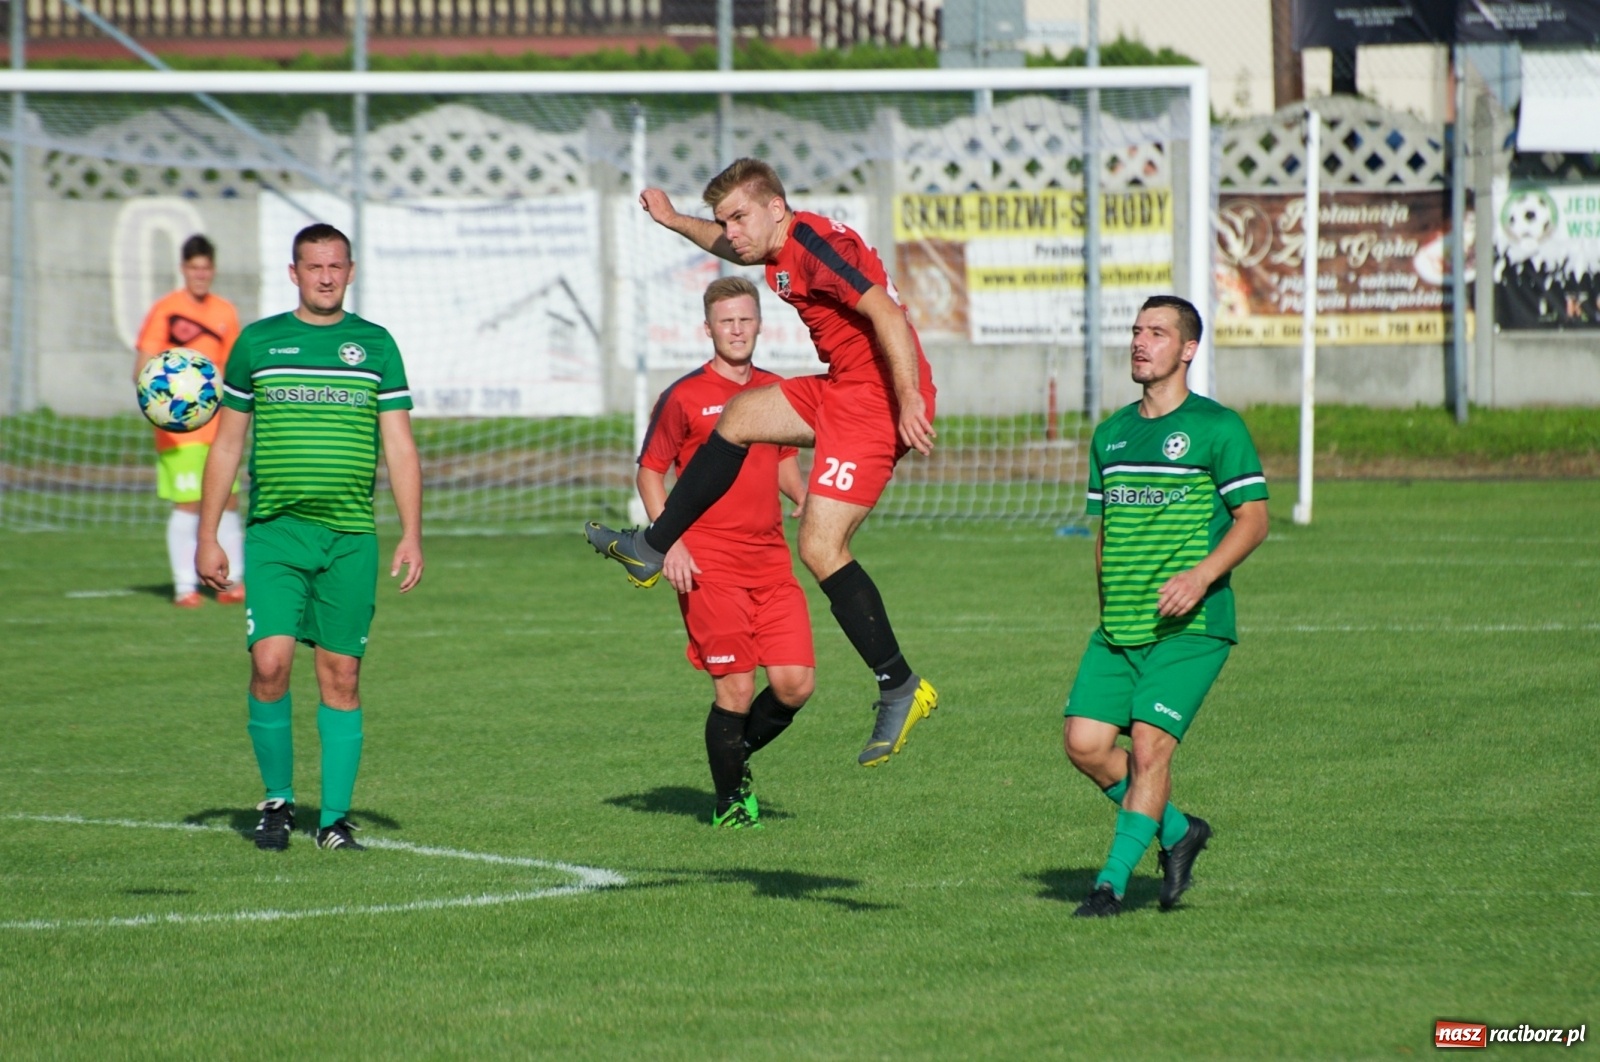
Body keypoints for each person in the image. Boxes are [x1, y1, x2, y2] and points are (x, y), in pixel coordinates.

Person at [586, 158, 939, 768]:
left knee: (820, 548)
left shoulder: (816, 246)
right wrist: (673, 220)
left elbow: (885, 313)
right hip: (844, 386)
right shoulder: (777, 245)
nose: (732, 232)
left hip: (876, 401)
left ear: (776, 208)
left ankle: (899, 686)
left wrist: (908, 398)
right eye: (725, 220)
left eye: (739, 217)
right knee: (740, 416)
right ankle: (652, 547)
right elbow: (732, 248)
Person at [195, 223, 424, 853]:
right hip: (275, 533)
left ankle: (334, 822)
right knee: (269, 664)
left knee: (341, 676)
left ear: (350, 272)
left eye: (336, 266)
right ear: (293, 273)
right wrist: (208, 534)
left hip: (350, 537)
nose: (326, 277)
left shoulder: (375, 345)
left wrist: (411, 533)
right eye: (314, 266)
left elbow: (400, 446)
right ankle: (276, 802)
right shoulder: (258, 343)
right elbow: (227, 445)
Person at [1062, 295, 1269, 918]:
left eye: (1157, 332)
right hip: (1119, 626)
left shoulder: (1217, 428)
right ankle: (1179, 831)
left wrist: (1201, 577)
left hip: (1192, 626)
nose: (1140, 342)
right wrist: (1108, 600)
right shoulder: (1111, 435)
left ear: (1187, 349)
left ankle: (1109, 886)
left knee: (1151, 749)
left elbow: (1253, 520)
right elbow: (1104, 532)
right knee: (1085, 746)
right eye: (1136, 330)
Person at [638, 276, 816, 829]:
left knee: (795, 684)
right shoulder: (684, 396)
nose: (736, 330)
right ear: (708, 328)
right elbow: (650, 473)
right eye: (726, 322)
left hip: (771, 560)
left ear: (759, 324)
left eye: (745, 320)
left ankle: (730, 757)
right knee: (736, 688)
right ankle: (731, 803)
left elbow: (782, 459)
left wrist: (805, 497)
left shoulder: (776, 390)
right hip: (707, 563)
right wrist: (671, 543)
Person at [133, 234, 244, 608]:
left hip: (219, 427)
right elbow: (142, 369)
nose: (200, 275)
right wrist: (164, 399)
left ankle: (231, 582)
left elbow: (234, 370)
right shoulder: (166, 311)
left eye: (206, 268)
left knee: (229, 499)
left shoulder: (225, 312)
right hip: (178, 432)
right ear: (183, 269)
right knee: (189, 503)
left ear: (213, 269)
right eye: (194, 268)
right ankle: (185, 587)